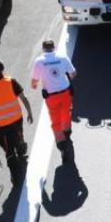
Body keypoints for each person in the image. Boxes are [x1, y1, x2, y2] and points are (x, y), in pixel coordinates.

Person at [0, 61, 34, 185]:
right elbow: (23, 98)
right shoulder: (11, 82)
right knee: (19, 134)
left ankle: (14, 175)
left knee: (8, 149)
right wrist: (29, 112)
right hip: (16, 119)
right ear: (2, 69)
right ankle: (20, 144)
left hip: (1, 125)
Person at [31, 38, 78, 166]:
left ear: (43, 48)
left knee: (56, 122)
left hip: (51, 97)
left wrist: (43, 82)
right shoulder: (62, 57)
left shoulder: (39, 61)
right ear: (54, 47)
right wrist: (65, 77)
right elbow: (73, 73)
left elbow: (33, 84)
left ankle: (62, 147)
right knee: (66, 115)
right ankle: (67, 134)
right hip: (65, 94)